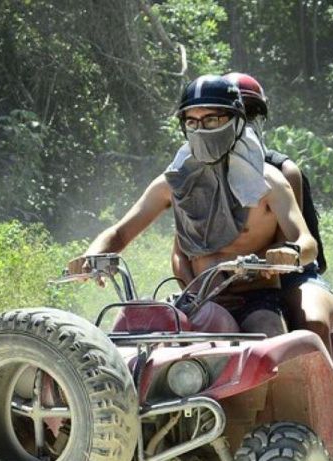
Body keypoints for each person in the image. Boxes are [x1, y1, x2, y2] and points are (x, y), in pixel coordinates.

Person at [68, 74, 317, 338]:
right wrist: (92, 255)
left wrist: (292, 252)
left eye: (211, 119)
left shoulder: (268, 181)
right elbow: (119, 233)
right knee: (133, 339)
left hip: (253, 300)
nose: (201, 129)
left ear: (236, 121)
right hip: (196, 299)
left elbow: (306, 242)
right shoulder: (174, 182)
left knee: (270, 342)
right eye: (192, 121)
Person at [170, 72, 333, 356]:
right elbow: (183, 248)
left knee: (311, 322)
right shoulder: (195, 173)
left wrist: (255, 278)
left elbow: (286, 243)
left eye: (250, 115)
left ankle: (318, 395)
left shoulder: (278, 172)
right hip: (228, 280)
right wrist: (200, 290)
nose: (244, 123)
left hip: (287, 274)